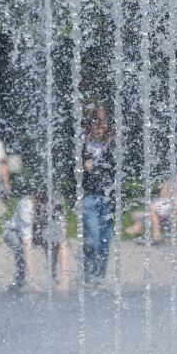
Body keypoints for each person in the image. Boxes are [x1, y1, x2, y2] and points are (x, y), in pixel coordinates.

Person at [2, 189, 71, 294]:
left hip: (37, 232)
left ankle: (54, 280)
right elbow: (27, 243)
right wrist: (32, 282)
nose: (52, 208)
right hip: (14, 232)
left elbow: (62, 243)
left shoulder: (57, 210)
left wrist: (65, 282)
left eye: (55, 205)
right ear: (40, 201)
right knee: (21, 253)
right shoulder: (27, 205)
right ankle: (22, 281)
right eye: (49, 204)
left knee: (54, 242)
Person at [81, 107, 115, 285]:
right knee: (92, 237)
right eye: (97, 126)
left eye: (104, 127)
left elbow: (118, 173)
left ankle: (99, 275)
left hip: (108, 198)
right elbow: (71, 170)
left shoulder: (112, 145)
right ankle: (88, 271)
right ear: (91, 125)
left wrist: (119, 201)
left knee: (104, 240)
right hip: (88, 196)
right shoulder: (82, 143)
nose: (101, 130)